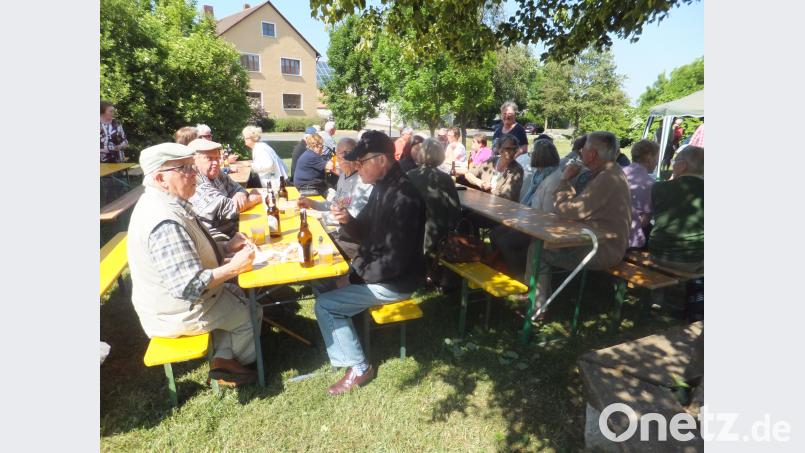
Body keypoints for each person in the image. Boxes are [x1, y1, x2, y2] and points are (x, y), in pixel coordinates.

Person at [127, 142, 259, 386]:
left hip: (178, 305)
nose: (193, 174)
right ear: (160, 178)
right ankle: (234, 365)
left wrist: (226, 248)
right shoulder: (164, 221)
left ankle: (222, 359)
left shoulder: (168, 204)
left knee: (239, 293)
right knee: (252, 312)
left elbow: (192, 252)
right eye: (186, 169)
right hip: (176, 312)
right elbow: (187, 287)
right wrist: (233, 268)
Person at [314, 130, 426, 395]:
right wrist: (347, 221)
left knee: (326, 305)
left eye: (361, 161)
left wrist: (355, 274)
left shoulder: (405, 198)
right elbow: (363, 230)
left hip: (397, 281)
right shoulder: (383, 188)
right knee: (323, 282)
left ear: (382, 160)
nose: (356, 166)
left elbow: (394, 264)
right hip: (378, 270)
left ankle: (359, 367)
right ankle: (344, 344)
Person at [526, 131, 631, 308]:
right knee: (540, 243)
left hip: (603, 250)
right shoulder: (610, 172)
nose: (580, 151)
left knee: (537, 249)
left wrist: (565, 179)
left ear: (593, 154)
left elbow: (568, 211)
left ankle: (536, 307)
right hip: (599, 241)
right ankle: (537, 297)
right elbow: (578, 208)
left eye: (584, 148)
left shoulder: (607, 178)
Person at [648, 145, 704, 321]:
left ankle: (664, 298)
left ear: (683, 165)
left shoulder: (659, 188)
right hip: (691, 260)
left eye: (674, 162)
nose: (672, 165)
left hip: (657, 253)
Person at [492, 139, 561, 275]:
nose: (530, 155)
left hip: (539, 228)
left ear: (540, 157)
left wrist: (522, 221)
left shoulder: (553, 180)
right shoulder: (539, 174)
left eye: (532, 153)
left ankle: (519, 276)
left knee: (505, 241)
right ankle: (504, 266)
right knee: (495, 233)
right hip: (527, 219)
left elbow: (546, 214)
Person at [297, 138, 373, 259]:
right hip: (339, 233)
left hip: (354, 240)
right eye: (338, 153)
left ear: (356, 154)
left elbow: (353, 217)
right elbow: (334, 204)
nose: (342, 157)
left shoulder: (363, 181)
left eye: (346, 152)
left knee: (314, 251)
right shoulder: (343, 176)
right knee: (305, 242)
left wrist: (321, 215)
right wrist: (312, 203)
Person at [188, 139, 262, 240]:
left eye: (217, 158)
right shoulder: (194, 181)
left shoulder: (217, 174)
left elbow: (238, 188)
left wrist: (240, 194)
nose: (215, 163)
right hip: (221, 241)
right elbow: (228, 209)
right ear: (194, 161)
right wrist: (254, 197)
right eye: (209, 158)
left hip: (236, 230)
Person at [406, 138, 461, 256]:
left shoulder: (409, 175)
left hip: (409, 233)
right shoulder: (445, 179)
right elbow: (455, 213)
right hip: (434, 238)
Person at [463, 133, 524, 201]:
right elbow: (468, 174)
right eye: (508, 148)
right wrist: (480, 183)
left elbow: (507, 196)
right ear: (499, 149)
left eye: (514, 149)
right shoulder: (491, 162)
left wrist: (489, 190)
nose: (512, 152)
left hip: (502, 208)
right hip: (481, 203)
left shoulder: (517, 170)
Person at [623, 139, 660, 249]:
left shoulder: (618, 173)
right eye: (657, 157)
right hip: (629, 240)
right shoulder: (650, 184)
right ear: (649, 157)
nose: (658, 162)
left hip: (608, 230)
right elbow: (644, 221)